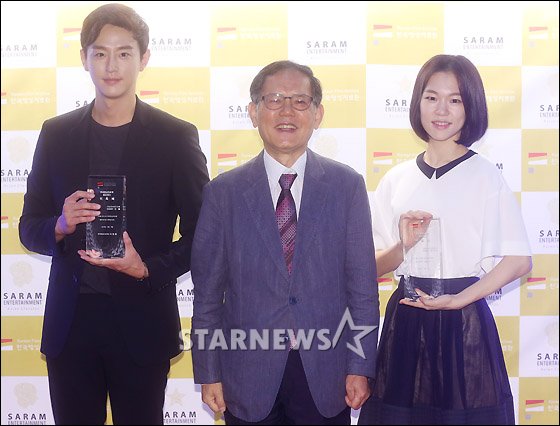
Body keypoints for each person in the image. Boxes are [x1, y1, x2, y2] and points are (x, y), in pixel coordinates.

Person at [18, 4, 209, 424]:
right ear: (84, 58)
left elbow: (204, 236)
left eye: (124, 53)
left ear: (144, 59)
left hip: (142, 321)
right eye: (100, 53)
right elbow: (28, 228)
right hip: (71, 325)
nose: (111, 66)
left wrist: (147, 268)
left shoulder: (175, 136)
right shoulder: (56, 133)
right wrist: (60, 226)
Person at [190, 60, 379, 425]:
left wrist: (360, 365)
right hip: (246, 374)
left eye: (300, 101)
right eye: (274, 99)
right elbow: (208, 295)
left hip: (326, 373)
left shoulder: (347, 187)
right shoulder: (223, 193)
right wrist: (209, 372)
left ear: (318, 114)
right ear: (253, 111)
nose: (287, 111)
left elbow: (363, 291)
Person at [357, 54, 532, 425]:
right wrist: (403, 246)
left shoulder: (486, 176)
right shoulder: (395, 179)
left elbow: (519, 260)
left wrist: (458, 300)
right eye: (432, 97)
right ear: (417, 102)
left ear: (471, 107)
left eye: (455, 100)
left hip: (464, 322)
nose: (442, 110)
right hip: (406, 319)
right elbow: (368, 268)